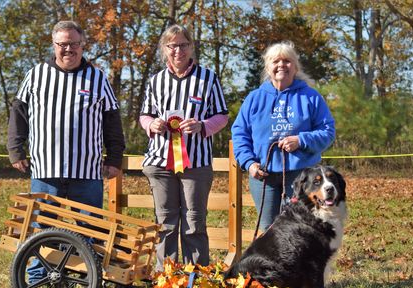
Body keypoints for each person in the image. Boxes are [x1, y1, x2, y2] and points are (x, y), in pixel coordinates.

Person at [7, 20, 125, 282]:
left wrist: (115, 158)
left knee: (89, 230)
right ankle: (38, 277)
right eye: (63, 44)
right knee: (43, 226)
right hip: (45, 169)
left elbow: (112, 121)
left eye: (74, 44)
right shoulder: (36, 74)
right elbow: (18, 113)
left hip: (87, 171)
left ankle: (83, 278)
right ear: (54, 45)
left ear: (83, 46)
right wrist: (16, 150)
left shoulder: (98, 78)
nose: (68, 49)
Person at [139, 24, 228, 270]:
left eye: (183, 45)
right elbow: (144, 115)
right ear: (165, 49)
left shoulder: (208, 78)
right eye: (172, 46)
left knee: (194, 221)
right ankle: (165, 280)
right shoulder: (155, 81)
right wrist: (152, 124)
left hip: (196, 163)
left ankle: (196, 281)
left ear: (191, 47)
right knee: (165, 222)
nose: (178, 50)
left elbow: (222, 115)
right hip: (160, 163)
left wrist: (202, 125)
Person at [231, 41, 335, 232]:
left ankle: (303, 263)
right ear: (268, 66)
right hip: (263, 174)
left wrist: (301, 140)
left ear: (295, 67)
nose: (281, 65)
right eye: (275, 61)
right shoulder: (255, 98)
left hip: (302, 175)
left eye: (287, 61)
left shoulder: (311, 97)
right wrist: (249, 163)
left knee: (301, 227)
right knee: (269, 229)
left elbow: (328, 131)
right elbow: (239, 133)